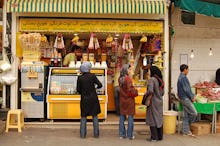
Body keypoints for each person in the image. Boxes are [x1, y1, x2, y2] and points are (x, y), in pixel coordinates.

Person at [77, 61, 103, 138]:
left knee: (83, 117)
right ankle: (96, 134)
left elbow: (78, 90)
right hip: (93, 99)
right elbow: (100, 85)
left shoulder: (80, 78)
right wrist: (95, 87)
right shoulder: (93, 76)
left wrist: (83, 91)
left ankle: (82, 135)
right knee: (95, 116)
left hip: (84, 99)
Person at [118, 64, 138, 140]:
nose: (130, 71)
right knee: (130, 118)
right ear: (126, 70)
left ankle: (121, 134)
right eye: (129, 69)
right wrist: (136, 91)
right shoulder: (128, 79)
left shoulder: (120, 79)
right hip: (129, 101)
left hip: (122, 100)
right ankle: (130, 135)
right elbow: (130, 91)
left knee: (122, 117)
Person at [145, 66, 164, 142]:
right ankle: (160, 136)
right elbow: (162, 93)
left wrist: (146, 94)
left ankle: (154, 137)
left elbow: (150, 90)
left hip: (153, 102)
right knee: (159, 118)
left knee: (152, 119)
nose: (148, 72)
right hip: (159, 102)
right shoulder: (160, 80)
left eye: (149, 71)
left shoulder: (151, 80)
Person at [177, 64, 197, 136]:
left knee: (186, 115)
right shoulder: (183, 78)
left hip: (182, 98)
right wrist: (192, 97)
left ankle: (186, 131)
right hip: (185, 98)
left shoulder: (180, 77)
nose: (188, 71)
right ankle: (186, 127)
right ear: (185, 69)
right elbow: (187, 89)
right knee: (194, 113)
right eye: (187, 69)